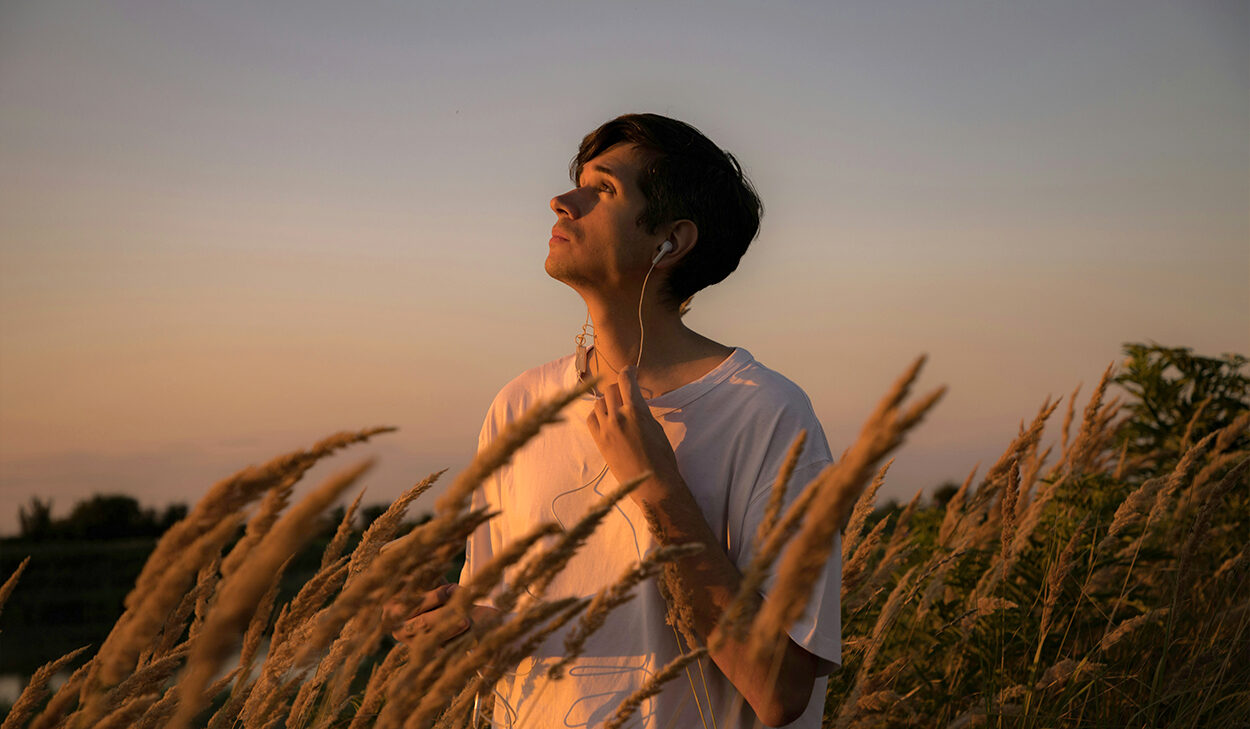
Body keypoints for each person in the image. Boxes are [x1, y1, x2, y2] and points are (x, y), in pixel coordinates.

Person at [394, 113, 841, 728]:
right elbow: (506, 619)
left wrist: (659, 490)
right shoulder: (520, 406)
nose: (560, 201)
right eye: (577, 182)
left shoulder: (764, 412)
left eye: (602, 189)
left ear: (672, 243)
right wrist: (465, 619)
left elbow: (781, 692)